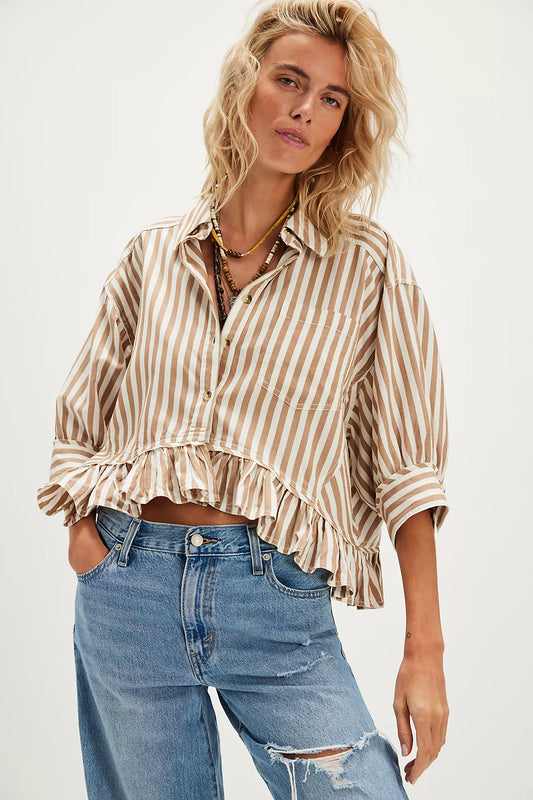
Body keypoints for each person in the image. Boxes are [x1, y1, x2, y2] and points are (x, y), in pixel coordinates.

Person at [36, 1, 450, 797]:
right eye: (288, 81)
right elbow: (78, 422)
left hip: (274, 596)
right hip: (126, 590)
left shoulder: (367, 268)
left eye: (332, 98)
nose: (304, 109)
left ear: (344, 126)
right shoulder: (151, 257)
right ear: (244, 87)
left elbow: (406, 469)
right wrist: (87, 538)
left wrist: (422, 652)